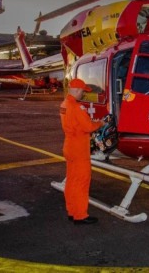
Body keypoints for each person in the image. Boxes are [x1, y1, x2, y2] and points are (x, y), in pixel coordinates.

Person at [59, 78, 104, 225]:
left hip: (69, 146)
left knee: (71, 181)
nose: (83, 95)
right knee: (82, 182)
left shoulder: (64, 104)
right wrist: (101, 123)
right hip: (79, 149)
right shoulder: (77, 107)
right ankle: (80, 216)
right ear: (77, 90)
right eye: (83, 92)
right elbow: (89, 127)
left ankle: (72, 211)